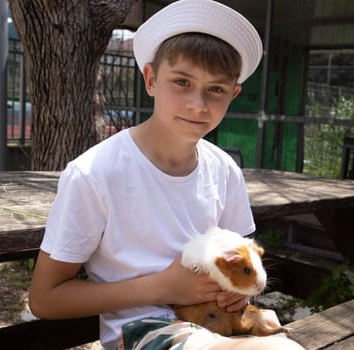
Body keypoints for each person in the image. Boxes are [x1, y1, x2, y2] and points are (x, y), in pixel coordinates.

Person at [28, 0, 305, 349]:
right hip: (145, 332)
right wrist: (167, 287)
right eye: (182, 82)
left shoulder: (224, 171)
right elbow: (45, 298)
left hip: (220, 325)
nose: (197, 104)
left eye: (215, 89)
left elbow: (242, 264)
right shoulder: (94, 173)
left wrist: (235, 295)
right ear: (151, 79)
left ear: (233, 94)